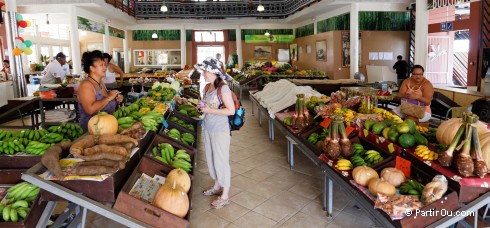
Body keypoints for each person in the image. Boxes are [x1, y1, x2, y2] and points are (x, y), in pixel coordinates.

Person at [194, 57, 235, 209]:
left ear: (213, 72)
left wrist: (209, 110)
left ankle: (225, 196)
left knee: (221, 161)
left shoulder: (223, 88)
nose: (203, 74)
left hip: (220, 130)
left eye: (205, 71)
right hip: (208, 127)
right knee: (212, 159)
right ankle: (217, 185)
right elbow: (208, 105)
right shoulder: (207, 88)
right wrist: (201, 106)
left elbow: (231, 110)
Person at [78, 50, 123, 133]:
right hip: (92, 132)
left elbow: (104, 102)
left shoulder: (101, 83)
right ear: (92, 68)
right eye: (101, 65)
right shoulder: (86, 85)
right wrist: (109, 98)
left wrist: (115, 98)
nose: (105, 67)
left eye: (105, 64)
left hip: (107, 129)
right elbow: (90, 110)